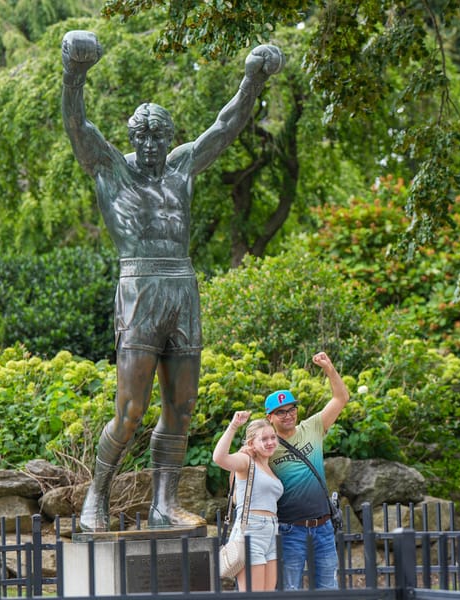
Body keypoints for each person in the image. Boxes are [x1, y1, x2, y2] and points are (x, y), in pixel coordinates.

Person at [60, 30, 284, 532]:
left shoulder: (182, 166)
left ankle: (163, 504)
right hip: (139, 288)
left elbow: (226, 127)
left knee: (181, 406)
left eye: (161, 136)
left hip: (182, 288)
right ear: (132, 136)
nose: (153, 144)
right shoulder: (110, 169)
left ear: (169, 136)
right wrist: (73, 73)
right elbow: (77, 124)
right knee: (131, 408)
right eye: (144, 136)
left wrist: (252, 78)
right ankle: (96, 495)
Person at [266, 351, 349, 590]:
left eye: (291, 409)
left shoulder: (312, 427)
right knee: (290, 590)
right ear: (270, 417)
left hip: (323, 527)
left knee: (328, 590)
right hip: (290, 529)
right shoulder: (267, 446)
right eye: (281, 412)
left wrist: (329, 369)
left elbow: (341, 398)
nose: (288, 415)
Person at [212, 411, 283, 591]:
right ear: (252, 443)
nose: (270, 442)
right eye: (263, 439)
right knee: (254, 595)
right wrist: (234, 426)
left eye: (273, 437)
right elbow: (219, 458)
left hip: (272, 532)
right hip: (252, 530)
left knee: (268, 594)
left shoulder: (270, 467)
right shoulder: (246, 461)